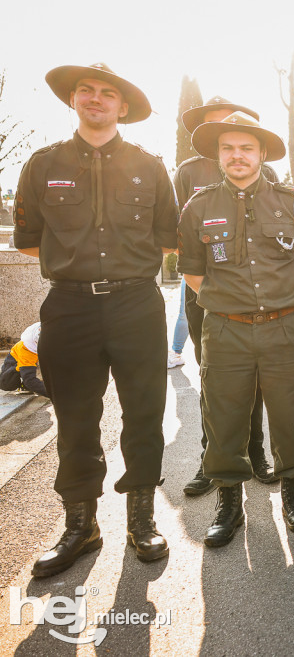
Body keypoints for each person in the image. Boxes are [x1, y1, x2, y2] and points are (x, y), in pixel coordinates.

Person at [14, 63, 176, 576]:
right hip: (70, 306)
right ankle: (80, 526)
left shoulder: (149, 166)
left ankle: (141, 519)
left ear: (123, 107)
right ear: (72, 99)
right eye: (86, 90)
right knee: (76, 420)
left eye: (108, 94)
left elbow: (170, 237)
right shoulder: (42, 164)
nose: (96, 99)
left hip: (137, 305)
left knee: (144, 415)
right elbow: (29, 240)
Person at [177, 112, 294, 547]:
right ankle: (229, 504)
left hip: (284, 329)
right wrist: (230, 304)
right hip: (226, 331)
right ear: (218, 155)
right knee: (224, 418)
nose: (236, 156)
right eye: (228, 148)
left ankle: (293, 495)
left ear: (260, 153)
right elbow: (191, 270)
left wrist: (280, 300)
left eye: (246, 148)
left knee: (289, 414)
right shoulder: (198, 206)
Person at [175, 95, 281, 494]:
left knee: (253, 378)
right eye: (217, 124)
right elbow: (180, 237)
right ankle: (212, 459)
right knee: (215, 381)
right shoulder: (187, 172)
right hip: (207, 296)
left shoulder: (263, 168)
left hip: (255, 299)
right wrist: (210, 294)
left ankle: (256, 453)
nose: (228, 127)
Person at [0, 322, 48, 397]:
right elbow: (30, 381)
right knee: (6, 383)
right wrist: (54, 394)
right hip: (16, 361)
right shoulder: (27, 350)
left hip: (35, 358)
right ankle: (21, 374)